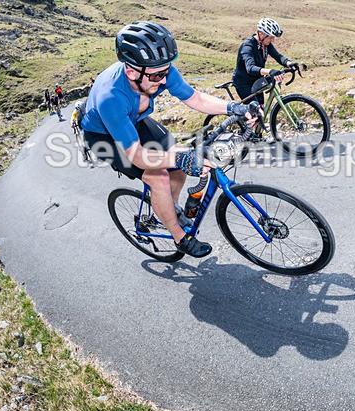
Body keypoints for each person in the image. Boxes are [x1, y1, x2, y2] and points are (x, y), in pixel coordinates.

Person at [80, 21, 259, 258]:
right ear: (131, 71)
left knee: (178, 163)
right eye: (157, 76)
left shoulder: (156, 70)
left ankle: (166, 209)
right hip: (104, 137)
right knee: (159, 176)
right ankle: (179, 237)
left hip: (133, 121)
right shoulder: (111, 96)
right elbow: (138, 156)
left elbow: (195, 98)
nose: (164, 80)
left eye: (166, 71)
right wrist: (182, 158)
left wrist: (234, 107)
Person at [233, 18, 301, 104]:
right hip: (244, 84)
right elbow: (250, 68)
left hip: (257, 81)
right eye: (271, 37)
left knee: (261, 108)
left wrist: (289, 64)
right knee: (256, 113)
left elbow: (278, 56)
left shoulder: (265, 44)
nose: (273, 40)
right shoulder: (247, 47)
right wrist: (270, 71)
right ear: (261, 34)